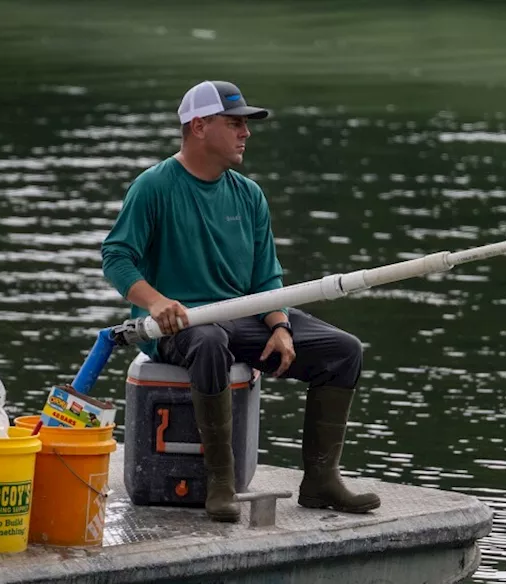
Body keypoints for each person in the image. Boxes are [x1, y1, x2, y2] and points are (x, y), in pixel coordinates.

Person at [101, 80, 380, 522]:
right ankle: (221, 484)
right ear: (198, 126)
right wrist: (155, 302)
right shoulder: (153, 187)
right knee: (209, 341)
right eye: (234, 124)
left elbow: (266, 278)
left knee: (341, 352)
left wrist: (280, 325)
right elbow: (116, 257)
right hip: (179, 327)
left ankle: (321, 482)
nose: (245, 134)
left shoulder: (249, 196)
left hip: (242, 318)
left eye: (245, 125)